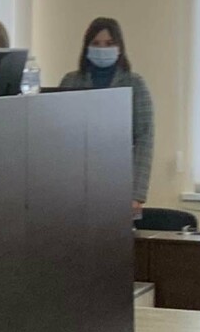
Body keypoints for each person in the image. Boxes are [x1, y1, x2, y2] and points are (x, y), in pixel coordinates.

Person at [58, 17, 154, 216]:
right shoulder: (71, 81)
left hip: (119, 180)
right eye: (96, 43)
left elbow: (144, 139)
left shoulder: (135, 83)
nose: (103, 49)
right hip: (75, 181)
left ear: (119, 47)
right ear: (87, 47)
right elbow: (60, 136)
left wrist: (137, 193)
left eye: (109, 43)